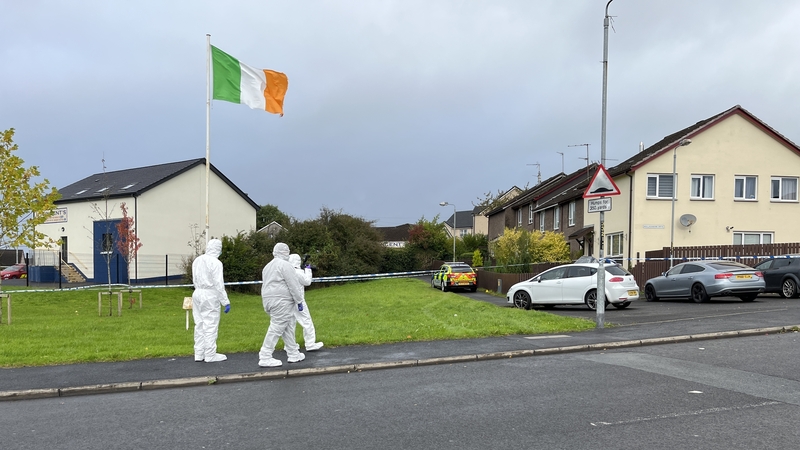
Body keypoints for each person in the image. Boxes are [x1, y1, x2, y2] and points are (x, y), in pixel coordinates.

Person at [258, 243, 306, 367]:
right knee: (277, 327)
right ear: (285, 252)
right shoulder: (286, 265)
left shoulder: (267, 266)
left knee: (287, 326)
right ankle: (265, 356)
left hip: (269, 300)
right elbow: (293, 284)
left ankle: (293, 353)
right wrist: (299, 300)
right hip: (282, 301)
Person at [191, 238, 231, 363]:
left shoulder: (197, 260)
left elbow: (195, 279)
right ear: (218, 249)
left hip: (197, 293)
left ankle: (199, 353)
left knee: (199, 324)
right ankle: (210, 354)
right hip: (210, 295)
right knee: (210, 324)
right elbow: (218, 284)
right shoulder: (216, 263)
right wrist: (225, 301)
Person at [288, 253, 324, 352]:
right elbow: (307, 282)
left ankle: (290, 345)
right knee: (306, 321)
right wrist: (308, 270)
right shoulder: (298, 273)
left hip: (288, 300)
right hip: (298, 300)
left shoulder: (287, 272)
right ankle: (310, 344)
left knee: (290, 323)